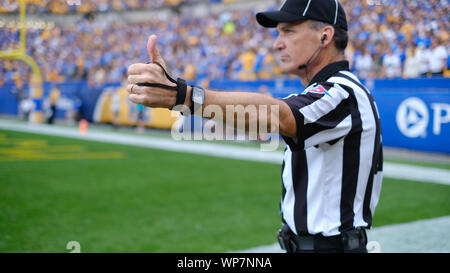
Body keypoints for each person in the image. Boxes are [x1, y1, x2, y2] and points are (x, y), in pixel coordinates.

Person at [127, 0, 383, 253]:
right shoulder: (336, 90)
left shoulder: (343, 92)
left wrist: (183, 96)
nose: (277, 43)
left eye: (288, 31)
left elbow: (280, 116)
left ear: (324, 36)